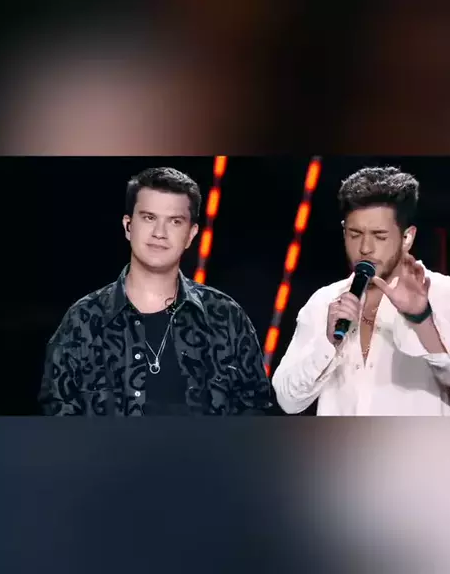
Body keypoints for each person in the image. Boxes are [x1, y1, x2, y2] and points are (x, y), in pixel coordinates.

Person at [40, 166, 272, 416]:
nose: (159, 233)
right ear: (128, 226)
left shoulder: (226, 318)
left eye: (175, 221)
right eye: (149, 218)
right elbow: (57, 414)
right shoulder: (84, 320)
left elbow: (256, 413)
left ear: (191, 234)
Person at [273, 166, 450, 416]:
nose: (365, 248)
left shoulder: (443, 294)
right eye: (355, 234)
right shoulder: (324, 302)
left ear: (407, 237)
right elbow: (288, 400)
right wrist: (329, 343)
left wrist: (421, 319)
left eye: (379, 236)